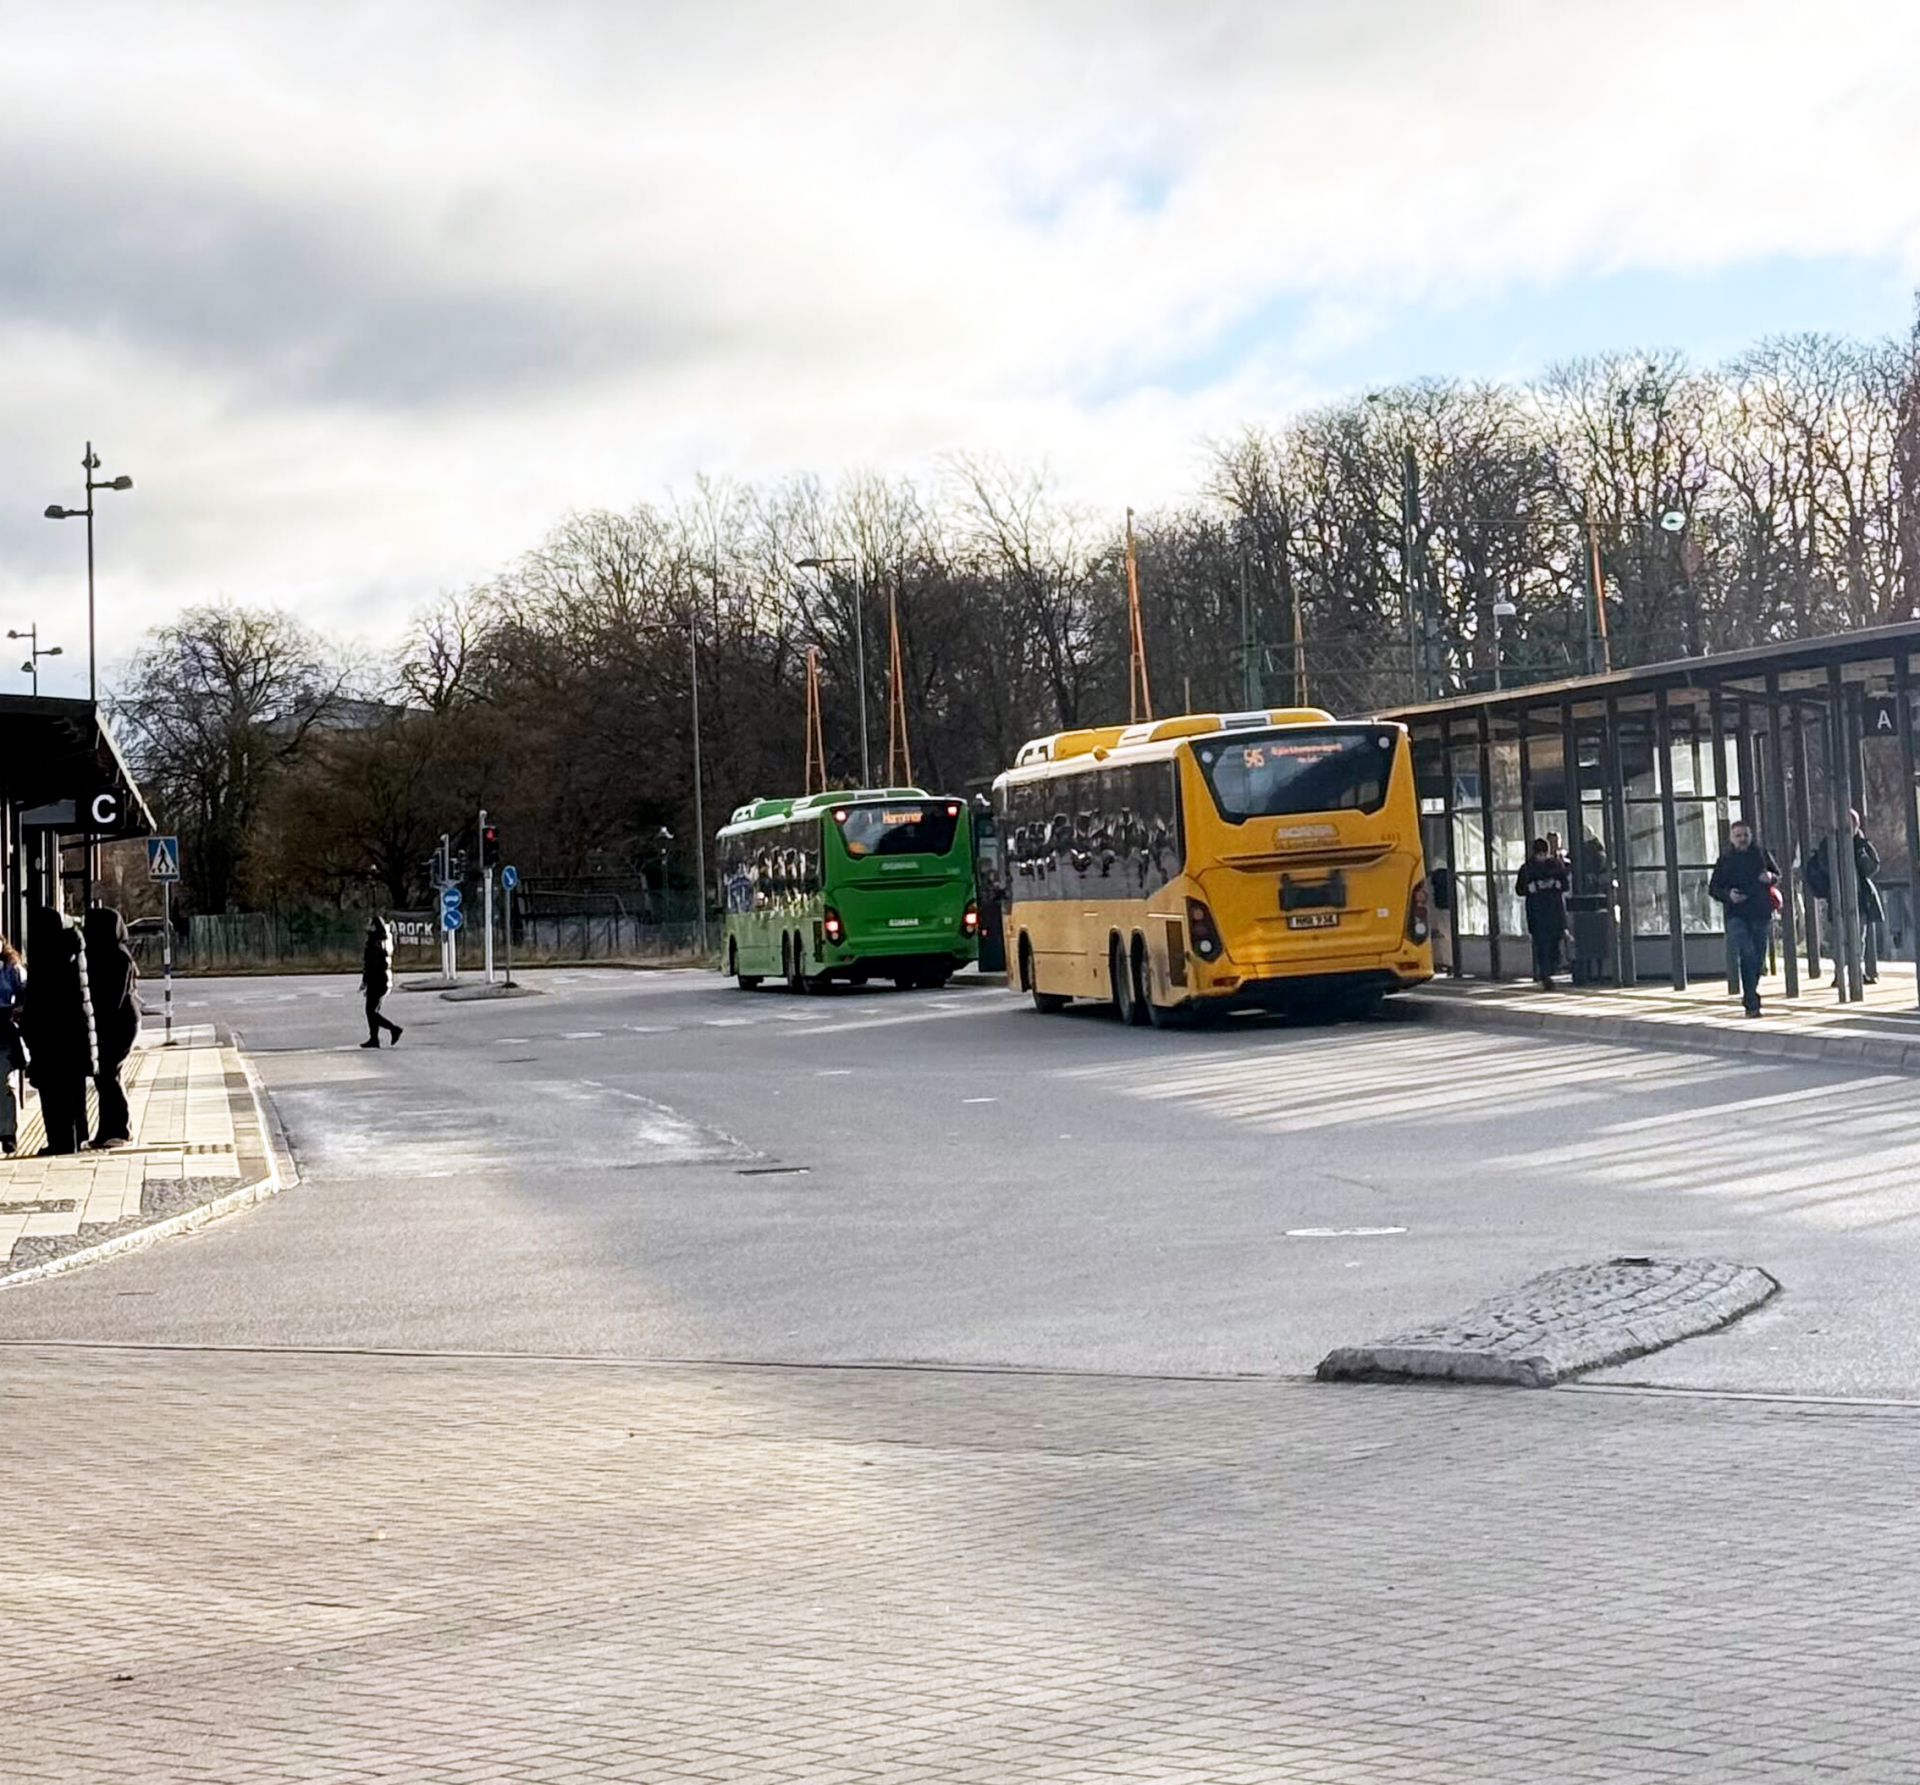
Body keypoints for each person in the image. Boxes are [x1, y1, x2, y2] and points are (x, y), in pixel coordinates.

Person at [18, 906, 95, 1153]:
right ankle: (77, 1136)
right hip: (73, 1030)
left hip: (50, 1034)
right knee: (74, 1088)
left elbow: (41, 999)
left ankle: (61, 1142)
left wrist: (27, 1023)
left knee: (54, 1093)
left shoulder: (47, 956)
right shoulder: (72, 949)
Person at [1708, 821, 1780, 1018]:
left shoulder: (1760, 854)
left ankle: (1750, 993)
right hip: (1737, 914)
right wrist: (1728, 895)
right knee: (1746, 953)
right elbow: (1713, 888)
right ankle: (1751, 1001)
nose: (1742, 839)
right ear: (1732, 838)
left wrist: (1770, 877)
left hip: (1760, 912)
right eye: (1738, 836)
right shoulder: (1726, 859)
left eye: (1745, 835)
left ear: (1751, 836)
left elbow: (1777, 874)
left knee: (1757, 958)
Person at [83, 908, 140, 1147]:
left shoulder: (118, 956)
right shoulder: (101, 953)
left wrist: (101, 1028)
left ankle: (119, 1129)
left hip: (119, 1022)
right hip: (110, 1021)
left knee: (108, 1074)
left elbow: (113, 998)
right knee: (105, 1076)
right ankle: (107, 1130)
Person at [1807, 812, 1883, 986]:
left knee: (1859, 938)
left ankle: (1858, 971)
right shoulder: (1828, 843)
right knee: (1840, 938)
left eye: (1851, 823)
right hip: (1837, 898)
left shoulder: (1862, 844)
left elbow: (1872, 867)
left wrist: (1860, 853)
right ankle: (1840, 973)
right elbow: (1825, 866)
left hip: (1861, 897)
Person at [1514, 837, 1571, 989]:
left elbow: (1565, 885)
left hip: (1552, 912)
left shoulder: (1555, 865)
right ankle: (1546, 975)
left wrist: (1554, 883)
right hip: (1539, 913)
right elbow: (1519, 889)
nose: (1542, 857)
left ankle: (1550, 971)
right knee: (1543, 945)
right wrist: (1532, 887)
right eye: (1540, 855)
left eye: (1543, 854)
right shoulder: (1527, 869)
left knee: (1553, 945)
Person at [359, 916, 403, 1049]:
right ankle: (374, 1038)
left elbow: (372, 963)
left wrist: (366, 980)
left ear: (374, 926)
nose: (367, 928)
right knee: (372, 1010)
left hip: (377, 978)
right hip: (384, 977)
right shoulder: (385, 939)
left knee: (370, 1011)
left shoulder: (375, 942)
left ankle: (393, 1029)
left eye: (370, 925)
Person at [0, 936, 24, 1157]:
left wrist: (18, 1010)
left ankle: (8, 1134)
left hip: (4, 1030)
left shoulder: (12, 968)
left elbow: (25, 996)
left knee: (5, 1083)